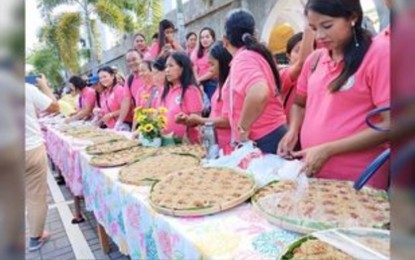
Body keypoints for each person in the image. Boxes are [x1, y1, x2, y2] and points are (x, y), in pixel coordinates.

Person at [277, 0, 390, 189]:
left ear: (352, 17)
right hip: (315, 173)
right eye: (313, 28)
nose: (320, 36)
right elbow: (299, 104)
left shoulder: (378, 54)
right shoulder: (314, 60)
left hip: (359, 178)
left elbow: (391, 125)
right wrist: (293, 130)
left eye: (327, 26)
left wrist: (329, 149)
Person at [223, 9, 287, 154]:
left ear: (225, 39)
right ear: (254, 33)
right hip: (272, 133)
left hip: (265, 137)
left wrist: (243, 128)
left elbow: (259, 92)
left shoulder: (244, 59)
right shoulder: (254, 54)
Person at [25, 75, 59, 251]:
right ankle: (35, 237)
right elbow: (54, 107)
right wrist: (45, 85)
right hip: (30, 148)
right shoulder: (26, 89)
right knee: (36, 195)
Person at [180, 41, 233, 153]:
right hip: (218, 143)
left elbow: (229, 120)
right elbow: (216, 113)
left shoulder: (230, 86)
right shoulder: (221, 84)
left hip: (229, 145)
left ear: (223, 63)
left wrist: (201, 120)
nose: (209, 69)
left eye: (212, 64)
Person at [157, 51, 203, 144]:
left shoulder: (190, 90)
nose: (167, 70)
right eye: (166, 66)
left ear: (182, 69)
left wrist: (186, 120)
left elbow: (197, 120)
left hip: (186, 145)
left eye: (171, 66)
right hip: (164, 143)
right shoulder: (165, 91)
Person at [280, 27, 315, 120]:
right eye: (297, 50)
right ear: (288, 56)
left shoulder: (319, 75)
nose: (301, 54)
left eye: (307, 49)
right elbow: (303, 63)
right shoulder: (283, 74)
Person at [132, 60, 160, 130]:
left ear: (152, 71)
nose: (141, 74)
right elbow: (137, 113)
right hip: (146, 128)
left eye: (143, 70)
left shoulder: (160, 88)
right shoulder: (140, 91)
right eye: (140, 71)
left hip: (158, 125)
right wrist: (133, 130)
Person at [191, 27, 218, 102]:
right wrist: (198, 82)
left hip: (211, 83)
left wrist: (199, 80)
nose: (204, 40)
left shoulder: (215, 51)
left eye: (207, 37)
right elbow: (194, 67)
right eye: (202, 38)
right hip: (199, 83)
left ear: (213, 38)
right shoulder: (198, 52)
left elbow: (213, 71)